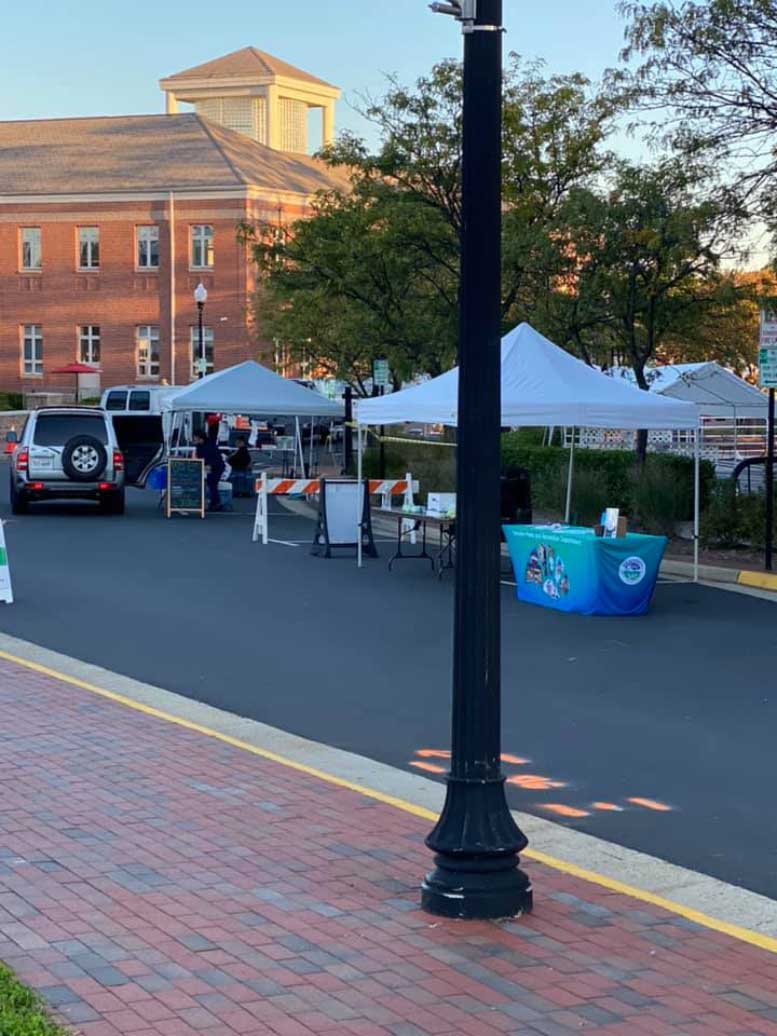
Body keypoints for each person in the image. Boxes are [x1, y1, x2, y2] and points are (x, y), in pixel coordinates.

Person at [194, 430, 225, 511]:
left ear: (201, 438)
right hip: (212, 466)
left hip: (216, 467)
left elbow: (213, 458)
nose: (194, 440)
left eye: (196, 439)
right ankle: (215, 503)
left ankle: (216, 503)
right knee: (212, 484)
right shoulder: (202, 446)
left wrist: (209, 466)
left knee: (212, 483)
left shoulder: (209, 446)